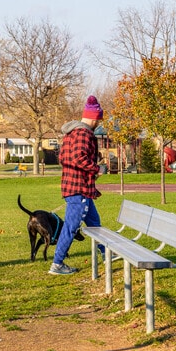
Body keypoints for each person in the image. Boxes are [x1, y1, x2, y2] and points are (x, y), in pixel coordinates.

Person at [49, 95, 106, 275]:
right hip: (79, 189)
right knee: (72, 226)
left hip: (77, 187)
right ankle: (57, 264)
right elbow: (78, 158)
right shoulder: (84, 133)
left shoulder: (71, 133)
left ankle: (107, 254)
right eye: (99, 119)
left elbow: (64, 158)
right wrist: (96, 168)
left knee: (94, 223)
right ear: (94, 117)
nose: (99, 123)